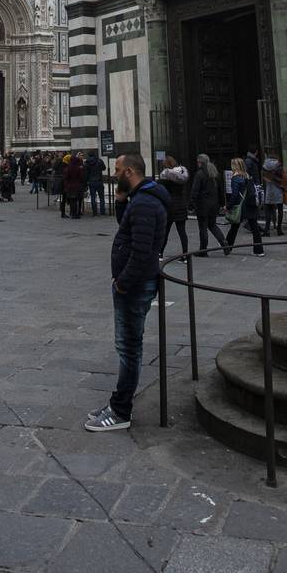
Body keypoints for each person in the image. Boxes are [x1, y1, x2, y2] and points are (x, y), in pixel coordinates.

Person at [85, 153, 168, 432]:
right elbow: (126, 226)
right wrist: (121, 198)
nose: (113, 172)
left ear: (129, 171)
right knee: (128, 346)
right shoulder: (139, 199)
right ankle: (117, 405)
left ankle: (120, 412)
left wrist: (123, 282)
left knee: (129, 348)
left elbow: (142, 252)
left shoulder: (146, 203)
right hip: (133, 283)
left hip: (134, 286)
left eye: (118, 169)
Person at [189, 154, 229, 255]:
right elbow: (221, 190)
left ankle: (203, 250)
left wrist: (191, 204)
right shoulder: (214, 173)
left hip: (203, 205)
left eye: (198, 162)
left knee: (203, 227)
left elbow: (195, 190)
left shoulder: (200, 174)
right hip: (214, 204)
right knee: (212, 225)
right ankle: (224, 243)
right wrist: (221, 203)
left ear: (200, 162)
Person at [226, 156, 264, 255]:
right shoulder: (247, 176)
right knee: (254, 227)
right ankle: (259, 250)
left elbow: (234, 195)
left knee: (234, 226)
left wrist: (229, 206)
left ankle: (227, 246)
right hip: (251, 203)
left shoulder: (236, 178)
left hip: (242, 206)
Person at [159, 155, 190, 259]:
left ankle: (160, 253)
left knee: (165, 231)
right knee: (182, 232)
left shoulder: (164, 177)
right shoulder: (182, 176)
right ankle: (185, 255)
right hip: (181, 204)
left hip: (169, 206)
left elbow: (161, 192)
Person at [261, 151, 285, 236]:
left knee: (268, 210)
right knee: (280, 210)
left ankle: (267, 230)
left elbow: (264, 178)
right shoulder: (279, 166)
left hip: (269, 190)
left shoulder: (264, 166)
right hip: (278, 190)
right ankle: (279, 229)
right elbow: (282, 177)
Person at [64, 152, 85, 219]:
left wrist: (66, 184)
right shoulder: (78, 168)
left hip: (70, 186)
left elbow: (66, 177)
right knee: (76, 200)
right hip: (77, 186)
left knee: (72, 200)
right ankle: (76, 214)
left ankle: (72, 213)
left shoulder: (68, 168)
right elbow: (81, 177)